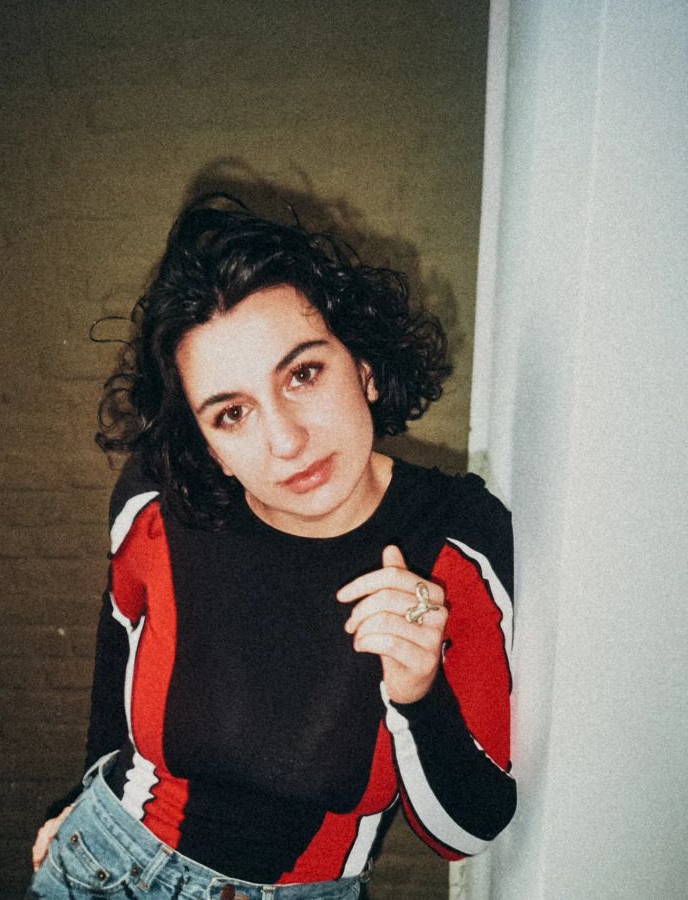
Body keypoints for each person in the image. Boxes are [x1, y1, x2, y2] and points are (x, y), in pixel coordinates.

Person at [27, 196, 515, 900]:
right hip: (101, 868)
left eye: (303, 374)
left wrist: (418, 694)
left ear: (364, 366)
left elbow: (465, 833)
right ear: (207, 445)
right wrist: (83, 794)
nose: (286, 440)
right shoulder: (159, 502)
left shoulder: (454, 537)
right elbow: (118, 642)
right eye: (232, 413)